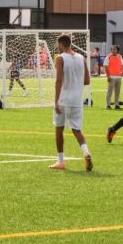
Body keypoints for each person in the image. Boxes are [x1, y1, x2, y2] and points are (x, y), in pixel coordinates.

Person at [49, 33, 92, 171]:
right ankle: (86, 152)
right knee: (77, 129)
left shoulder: (60, 58)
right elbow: (87, 81)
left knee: (59, 129)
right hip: (77, 100)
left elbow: (59, 80)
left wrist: (56, 102)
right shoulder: (81, 58)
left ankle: (60, 161)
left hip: (64, 99)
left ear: (61, 44)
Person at [104, 45, 123, 109]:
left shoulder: (120, 56)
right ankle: (108, 105)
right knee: (110, 91)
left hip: (119, 77)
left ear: (117, 50)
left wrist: (122, 72)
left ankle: (116, 105)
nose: (113, 50)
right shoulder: (108, 57)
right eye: (112, 49)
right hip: (111, 77)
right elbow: (106, 67)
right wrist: (108, 76)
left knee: (117, 92)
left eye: (114, 49)